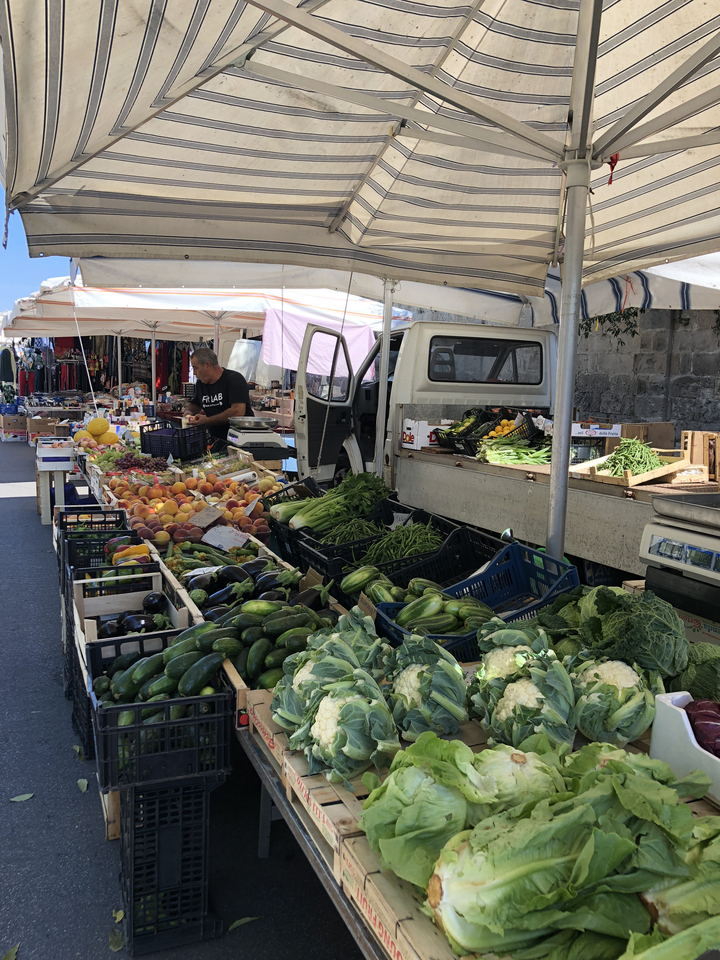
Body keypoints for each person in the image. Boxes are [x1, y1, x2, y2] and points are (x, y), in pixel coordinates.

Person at [184, 346, 254, 450]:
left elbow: (238, 412)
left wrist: (208, 421)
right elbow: (195, 404)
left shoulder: (234, 379)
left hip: (241, 443)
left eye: (195, 368)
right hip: (217, 442)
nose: (194, 373)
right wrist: (188, 411)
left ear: (208, 365)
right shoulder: (201, 383)